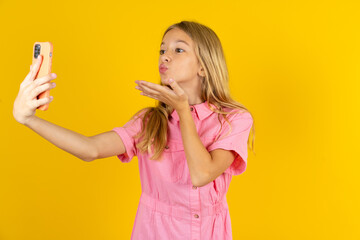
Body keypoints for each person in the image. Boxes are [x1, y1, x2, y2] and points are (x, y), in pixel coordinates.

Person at [13, 20, 256, 239]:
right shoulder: (150, 121)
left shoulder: (234, 119)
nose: (165, 57)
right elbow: (90, 149)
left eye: (178, 49)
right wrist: (29, 119)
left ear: (204, 66)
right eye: (162, 50)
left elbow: (202, 174)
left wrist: (183, 110)